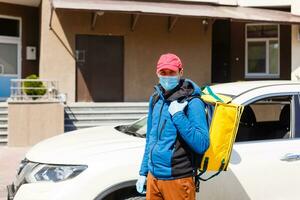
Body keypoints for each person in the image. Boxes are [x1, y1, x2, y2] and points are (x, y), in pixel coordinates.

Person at [136, 53, 210, 200]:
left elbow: (202, 143)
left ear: (180, 72)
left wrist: (178, 116)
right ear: (157, 73)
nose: (167, 76)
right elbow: (151, 138)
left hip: (178, 179)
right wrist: (143, 172)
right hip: (153, 177)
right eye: (163, 72)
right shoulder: (156, 99)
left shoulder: (192, 102)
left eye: (172, 72)